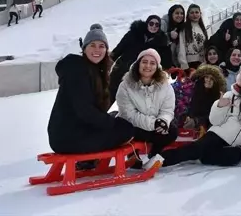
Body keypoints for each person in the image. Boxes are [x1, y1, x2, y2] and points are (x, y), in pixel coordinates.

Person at [47, 24, 134, 158]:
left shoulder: (93, 70)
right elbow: (85, 111)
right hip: (68, 138)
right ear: (84, 48)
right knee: (125, 129)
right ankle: (90, 160)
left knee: (118, 120)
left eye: (101, 46)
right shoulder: (77, 71)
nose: (97, 50)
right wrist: (113, 123)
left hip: (74, 131)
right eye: (92, 45)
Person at [160, 66, 241, 167]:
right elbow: (214, 121)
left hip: (237, 146)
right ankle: (160, 160)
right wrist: (219, 106)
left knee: (235, 157)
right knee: (192, 150)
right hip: (218, 135)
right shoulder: (231, 96)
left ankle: (203, 157)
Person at [116, 49, 177, 170]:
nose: (148, 66)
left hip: (154, 126)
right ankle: (133, 155)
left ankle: (155, 153)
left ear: (157, 67)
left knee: (172, 131)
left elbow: (167, 110)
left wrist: (163, 121)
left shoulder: (165, 86)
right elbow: (129, 115)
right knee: (123, 127)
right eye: (144, 62)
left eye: (152, 63)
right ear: (138, 63)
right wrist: (154, 124)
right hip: (134, 127)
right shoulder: (125, 85)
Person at [109, 15, 172, 103]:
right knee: (112, 94)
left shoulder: (161, 41)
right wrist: (108, 62)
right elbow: (119, 48)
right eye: (151, 23)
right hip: (122, 68)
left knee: (130, 100)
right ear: (147, 24)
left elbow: (165, 60)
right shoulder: (134, 33)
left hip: (141, 75)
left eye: (157, 25)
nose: (154, 26)